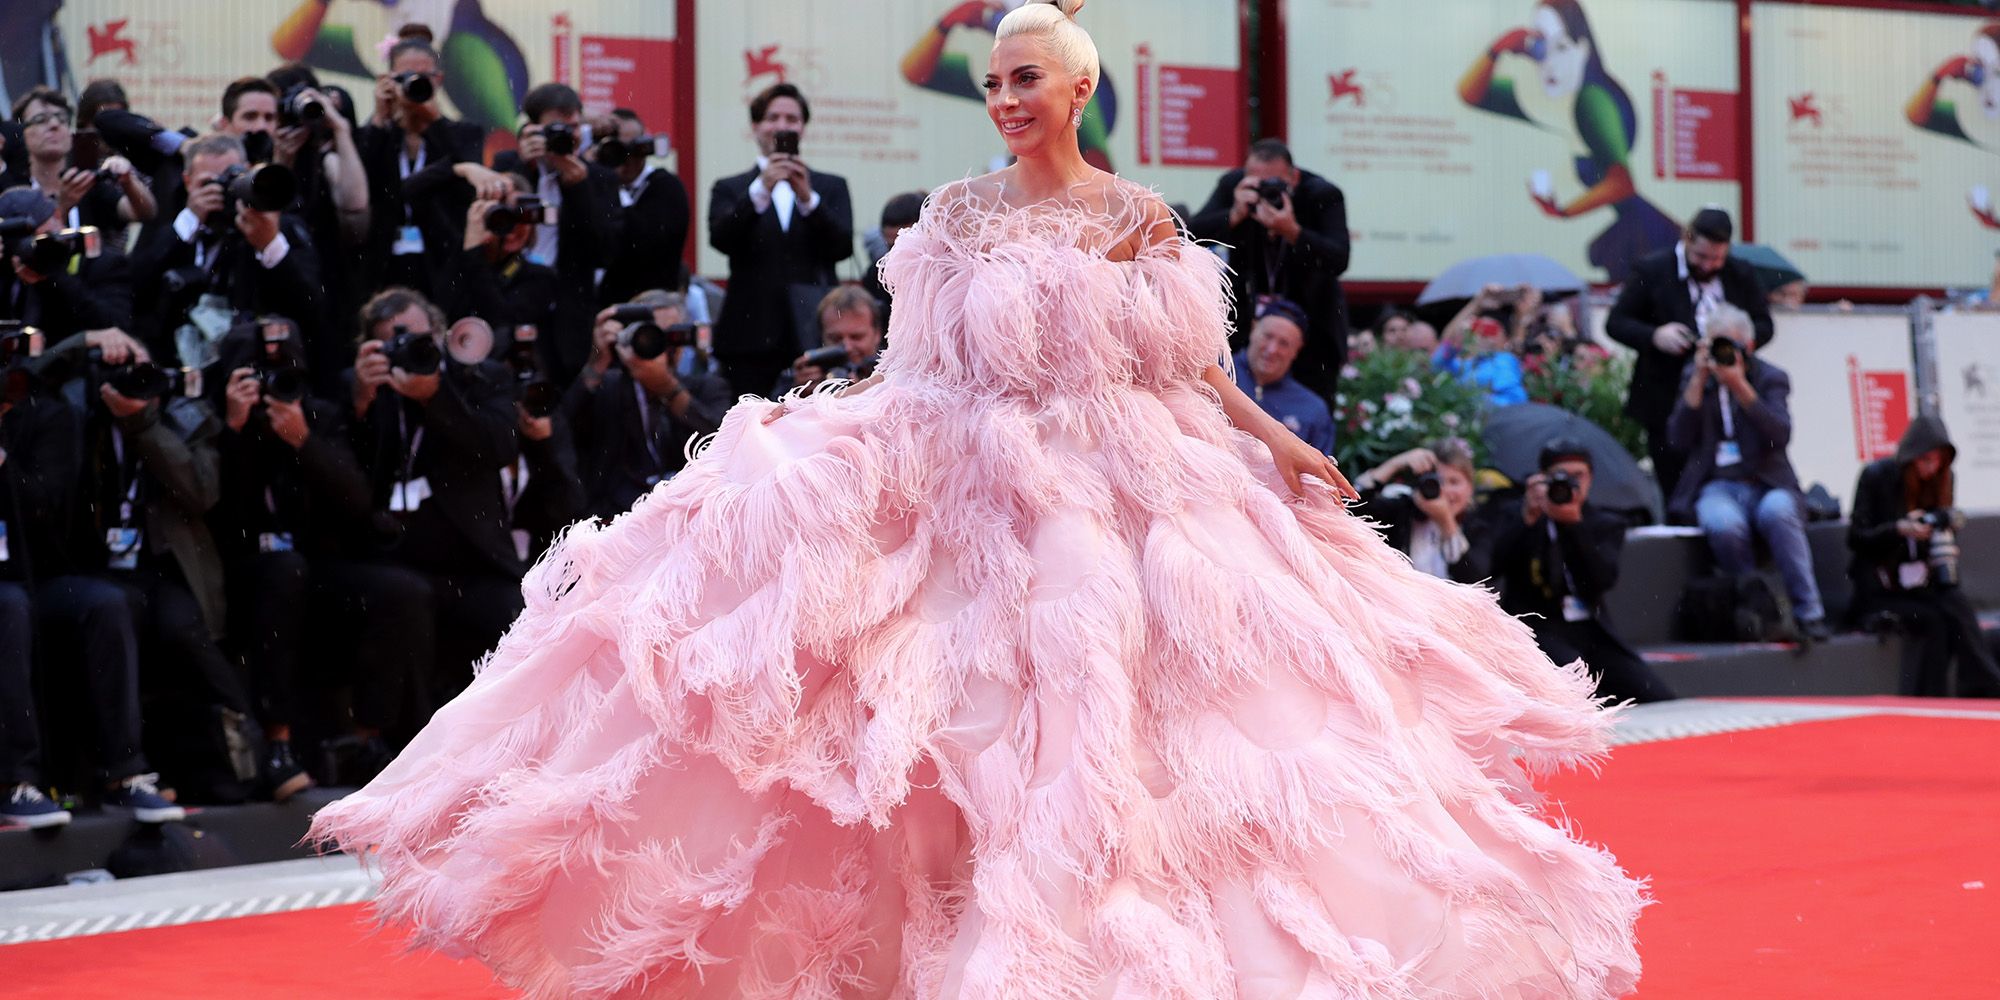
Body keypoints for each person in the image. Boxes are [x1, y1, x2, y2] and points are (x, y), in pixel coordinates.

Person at [312, 2, 1643, 995]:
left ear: (1076, 89)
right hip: (978, 494)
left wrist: (1275, 444)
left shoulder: (1140, 219)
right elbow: (911, 370)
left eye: (1026, 78)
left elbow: (1184, 369)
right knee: (965, 742)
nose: (1003, 97)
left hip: (1138, 502)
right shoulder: (950, 216)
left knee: (1156, 743)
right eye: (991, 78)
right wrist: (825, 455)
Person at [1459, 1, 1679, 282]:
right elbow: (1471, 94)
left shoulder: (1593, 100)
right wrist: (1496, 50)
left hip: (1643, 233)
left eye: (1561, 47)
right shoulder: (1543, 94)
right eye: (1541, 48)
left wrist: (1563, 211)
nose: (1549, 63)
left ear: (1583, 48)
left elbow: (1621, 182)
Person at [1666, 303, 1828, 642]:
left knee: (1779, 513)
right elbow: (1678, 439)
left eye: (1729, 345)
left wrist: (1739, 385)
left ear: (1748, 346)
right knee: (1723, 523)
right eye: (1715, 345)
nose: (1721, 353)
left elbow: (1779, 433)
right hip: (1719, 484)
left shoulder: (1770, 377)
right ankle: (1757, 605)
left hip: (1768, 480)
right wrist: (1697, 379)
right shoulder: (1695, 376)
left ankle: (1809, 612)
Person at [1482, 439, 1676, 704]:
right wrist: (1527, 519)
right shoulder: (1516, 515)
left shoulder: (1604, 523)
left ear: (1591, 478)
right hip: (1539, 627)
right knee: (1588, 697)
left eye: (1578, 476)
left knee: (1656, 695)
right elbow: (1493, 567)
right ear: (1541, 480)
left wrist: (1573, 525)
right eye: (1559, 477)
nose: (1569, 484)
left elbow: (1601, 580)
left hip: (1592, 628)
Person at [1607, 207, 1773, 507]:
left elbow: (1765, 324)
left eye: (1717, 259)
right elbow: (1616, 322)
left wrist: (1737, 344)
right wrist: (1655, 335)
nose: (1708, 266)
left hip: (1727, 399)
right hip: (1667, 398)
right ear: (1687, 238)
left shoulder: (1740, 273)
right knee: (1676, 490)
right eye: (1701, 257)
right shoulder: (1653, 270)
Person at [708, 83, 855, 399]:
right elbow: (722, 239)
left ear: (803, 127)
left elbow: (841, 246)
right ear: (756, 126)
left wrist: (808, 200)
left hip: (812, 330)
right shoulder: (731, 188)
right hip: (749, 335)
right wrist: (760, 190)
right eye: (773, 117)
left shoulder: (829, 187)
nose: (782, 126)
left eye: (792, 119)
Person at [1847, 415, 2000, 697]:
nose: (1931, 468)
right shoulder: (1876, 476)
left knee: (1955, 604)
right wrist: (1899, 529)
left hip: (1921, 585)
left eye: (1938, 460)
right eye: (1925, 459)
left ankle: (1976, 686)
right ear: (1911, 456)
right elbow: (1856, 538)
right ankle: (1972, 687)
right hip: (1881, 590)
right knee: (1936, 620)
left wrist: (1945, 535)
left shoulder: (1942, 480)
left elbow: (1943, 528)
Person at [1186, 137, 1351, 396]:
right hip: (1246, 329)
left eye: (1274, 184)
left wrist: (1293, 232)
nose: (1264, 191)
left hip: (1311, 331)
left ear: (1293, 178)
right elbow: (1189, 238)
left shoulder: (1321, 195)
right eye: (1256, 183)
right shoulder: (1234, 188)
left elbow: (1339, 258)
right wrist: (1234, 214)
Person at [491, 83, 621, 384]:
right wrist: (526, 168)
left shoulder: (599, 178)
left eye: (574, 126)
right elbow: (496, 235)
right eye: (557, 128)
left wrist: (578, 188)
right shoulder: (508, 166)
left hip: (568, 315)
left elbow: (603, 251)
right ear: (533, 129)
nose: (567, 135)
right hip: (515, 303)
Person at [567, 292, 730, 521]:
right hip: (616, 518)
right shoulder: (607, 385)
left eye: (670, 336)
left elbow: (721, 444)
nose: (658, 346)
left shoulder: (706, 387)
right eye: (651, 334)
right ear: (625, 337)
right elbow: (561, 430)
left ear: (683, 340)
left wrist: (668, 388)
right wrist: (597, 362)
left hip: (688, 516)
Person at [595, 108, 692, 307]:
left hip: (651, 308)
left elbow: (643, 246)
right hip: (601, 308)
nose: (626, 159)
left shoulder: (666, 187)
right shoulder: (592, 186)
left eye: (633, 149)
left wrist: (611, 185)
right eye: (617, 150)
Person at [1351, 438, 1482, 581]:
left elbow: (1478, 582)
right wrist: (1394, 464)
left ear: (1470, 487)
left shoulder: (1479, 525)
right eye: (1437, 482)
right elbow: (1351, 510)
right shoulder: (1402, 508)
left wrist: (1446, 522)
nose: (1444, 491)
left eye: (1454, 482)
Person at [1232, 296, 1335, 455]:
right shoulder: (1215, 372)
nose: (1272, 350)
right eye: (1268, 336)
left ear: (1297, 350)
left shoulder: (1312, 409)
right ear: (1253, 329)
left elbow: (1319, 475)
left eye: (1284, 343)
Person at [773, 285, 885, 398]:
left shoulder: (893, 372)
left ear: (877, 334)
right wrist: (797, 394)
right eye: (835, 338)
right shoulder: (803, 375)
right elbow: (772, 410)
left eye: (856, 337)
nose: (847, 347)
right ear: (822, 335)